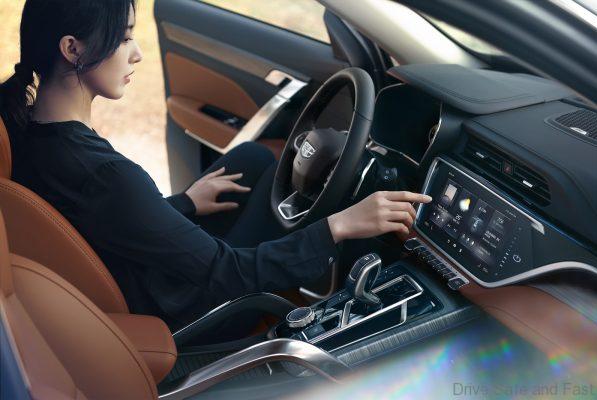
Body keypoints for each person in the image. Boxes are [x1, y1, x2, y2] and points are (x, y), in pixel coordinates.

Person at [0, 0, 431, 330]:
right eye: (124, 38)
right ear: (72, 48)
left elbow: (102, 219)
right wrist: (340, 226)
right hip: (186, 312)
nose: (137, 54)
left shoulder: (27, 130)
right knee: (277, 180)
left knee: (252, 159)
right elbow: (227, 272)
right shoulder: (105, 175)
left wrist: (186, 203)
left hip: (132, 274)